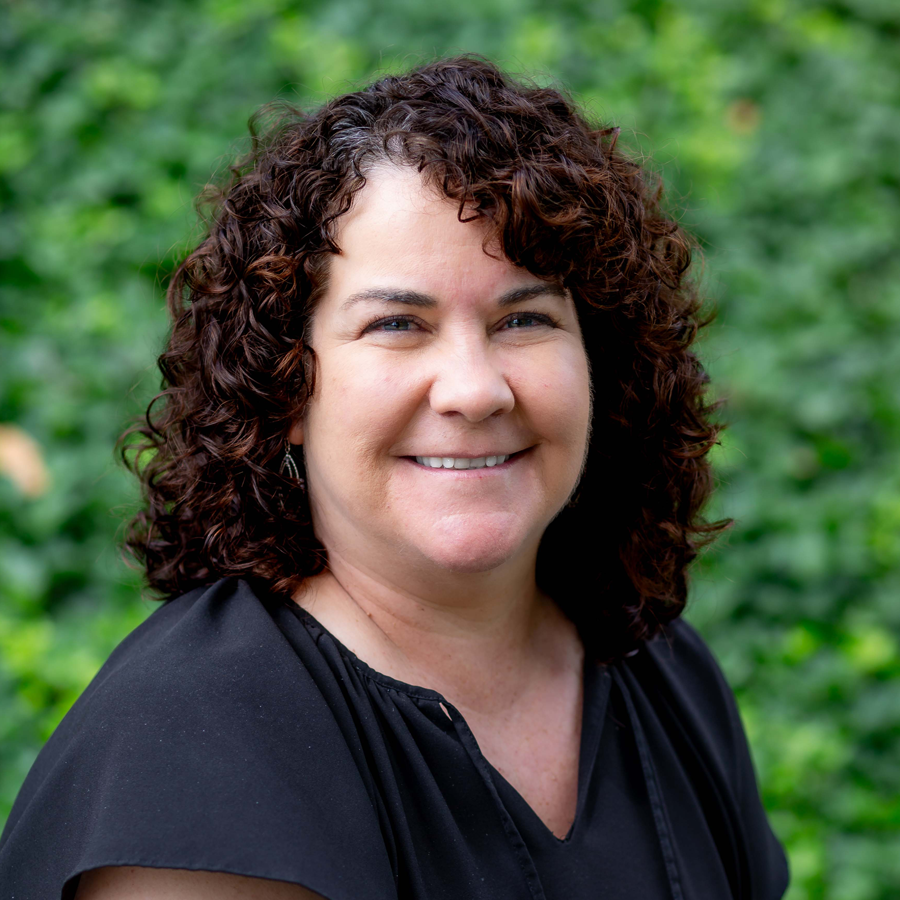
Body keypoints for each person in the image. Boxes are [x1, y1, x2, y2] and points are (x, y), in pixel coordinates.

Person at [0, 56, 789, 900]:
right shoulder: (190, 753)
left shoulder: (660, 666)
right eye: (396, 324)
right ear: (288, 383)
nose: (475, 389)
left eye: (524, 318)